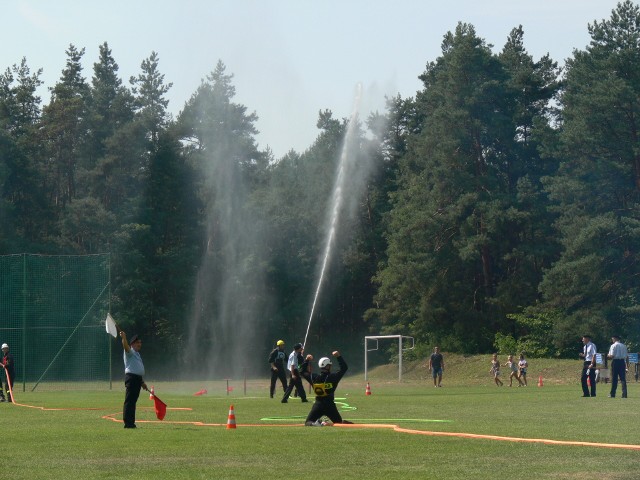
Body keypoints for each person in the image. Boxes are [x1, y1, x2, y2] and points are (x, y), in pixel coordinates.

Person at [299, 350, 351, 426]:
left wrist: (306, 360)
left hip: (318, 405)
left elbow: (301, 371)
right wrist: (338, 356)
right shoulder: (333, 377)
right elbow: (344, 368)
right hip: (330, 405)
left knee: (308, 422)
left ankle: (316, 424)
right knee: (339, 423)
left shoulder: (314, 377)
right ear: (328, 366)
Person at [120, 331, 147, 428]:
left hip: (137, 379)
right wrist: (124, 337)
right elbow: (125, 347)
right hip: (131, 378)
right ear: (132, 344)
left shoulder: (137, 354)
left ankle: (131, 422)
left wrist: (142, 382)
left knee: (133, 401)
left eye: (140, 342)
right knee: (130, 401)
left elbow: (137, 368)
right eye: (137, 342)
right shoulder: (130, 352)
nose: (139, 344)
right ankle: (128, 423)